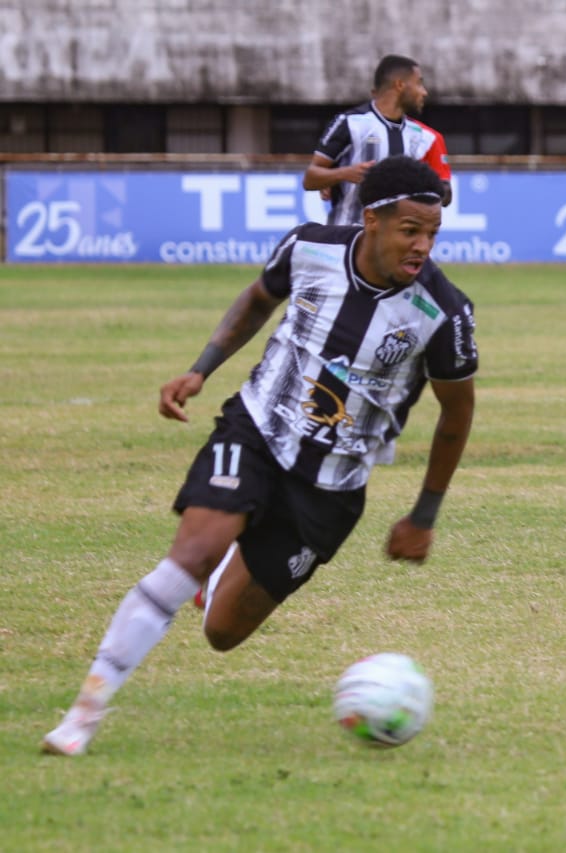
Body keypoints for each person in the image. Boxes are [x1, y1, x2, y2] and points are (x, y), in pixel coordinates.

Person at [42, 156, 477, 755]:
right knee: (190, 553)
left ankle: (221, 570)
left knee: (222, 632)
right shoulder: (308, 247)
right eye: (411, 230)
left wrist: (423, 514)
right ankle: (82, 716)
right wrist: (199, 371)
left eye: (432, 233)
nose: (422, 245)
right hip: (257, 432)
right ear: (373, 220)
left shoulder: (444, 312)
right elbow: (255, 301)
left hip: (331, 488)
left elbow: (457, 415)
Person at [304, 54, 453, 226]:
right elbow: (310, 179)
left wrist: (414, 183)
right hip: (347, 236)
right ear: (399, 84)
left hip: (394, 245)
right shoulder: (351, 123)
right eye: (419, 83)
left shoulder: (423, 137)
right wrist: (343, 174)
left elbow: (445, 195)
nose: (424, 92)